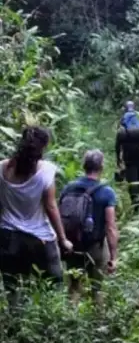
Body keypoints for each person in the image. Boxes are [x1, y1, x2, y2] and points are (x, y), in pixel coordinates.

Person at [0, 126, 73, 294]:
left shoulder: (2, 168)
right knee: (54, 283)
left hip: (6, 236)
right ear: (43, 147)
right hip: (39, 238)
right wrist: (63, 239)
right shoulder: (45, 171)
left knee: (13, 288)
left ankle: (15, 318)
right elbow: (50, 206)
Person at [61, 149, 118, 303]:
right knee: (97, 288)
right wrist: (114, 257)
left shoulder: (69, 188)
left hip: (72, 245)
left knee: (73, 287)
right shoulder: (107, 192)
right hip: (95, 247)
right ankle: (97, 322)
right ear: (101, 167)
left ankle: (69, 320)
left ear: (84, 166)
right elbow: (111, 227)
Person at [116, 104, 139, 212]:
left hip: (129, 155)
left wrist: (118, 158)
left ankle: (135, 204)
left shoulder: (123, 120)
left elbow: (118, 143)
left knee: (132, 180)